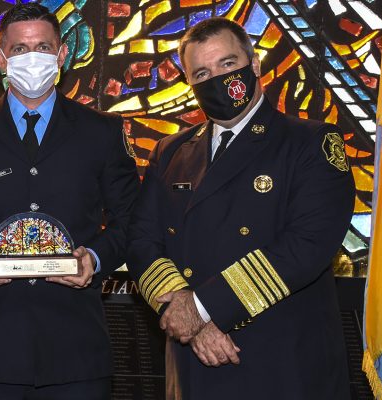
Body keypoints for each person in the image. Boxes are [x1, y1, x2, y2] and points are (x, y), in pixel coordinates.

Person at [126, 17, 355, 399]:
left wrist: (202, 309)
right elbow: (142, 239)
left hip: (280, 359)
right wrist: (194, 322)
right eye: (201, 72)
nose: (215, 78)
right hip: (193, 361)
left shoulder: (310, 142)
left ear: (255, 65)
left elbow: (307, 246)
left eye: (227, 65)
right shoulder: (172, 151)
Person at [0, 3, 139, 399]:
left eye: (42, 47)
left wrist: (95, 256)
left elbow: (131, 218)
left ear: (61, 55)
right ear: (0, 57)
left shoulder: (102, 132)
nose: (31, 57)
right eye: (20, 49)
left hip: (76, 351)